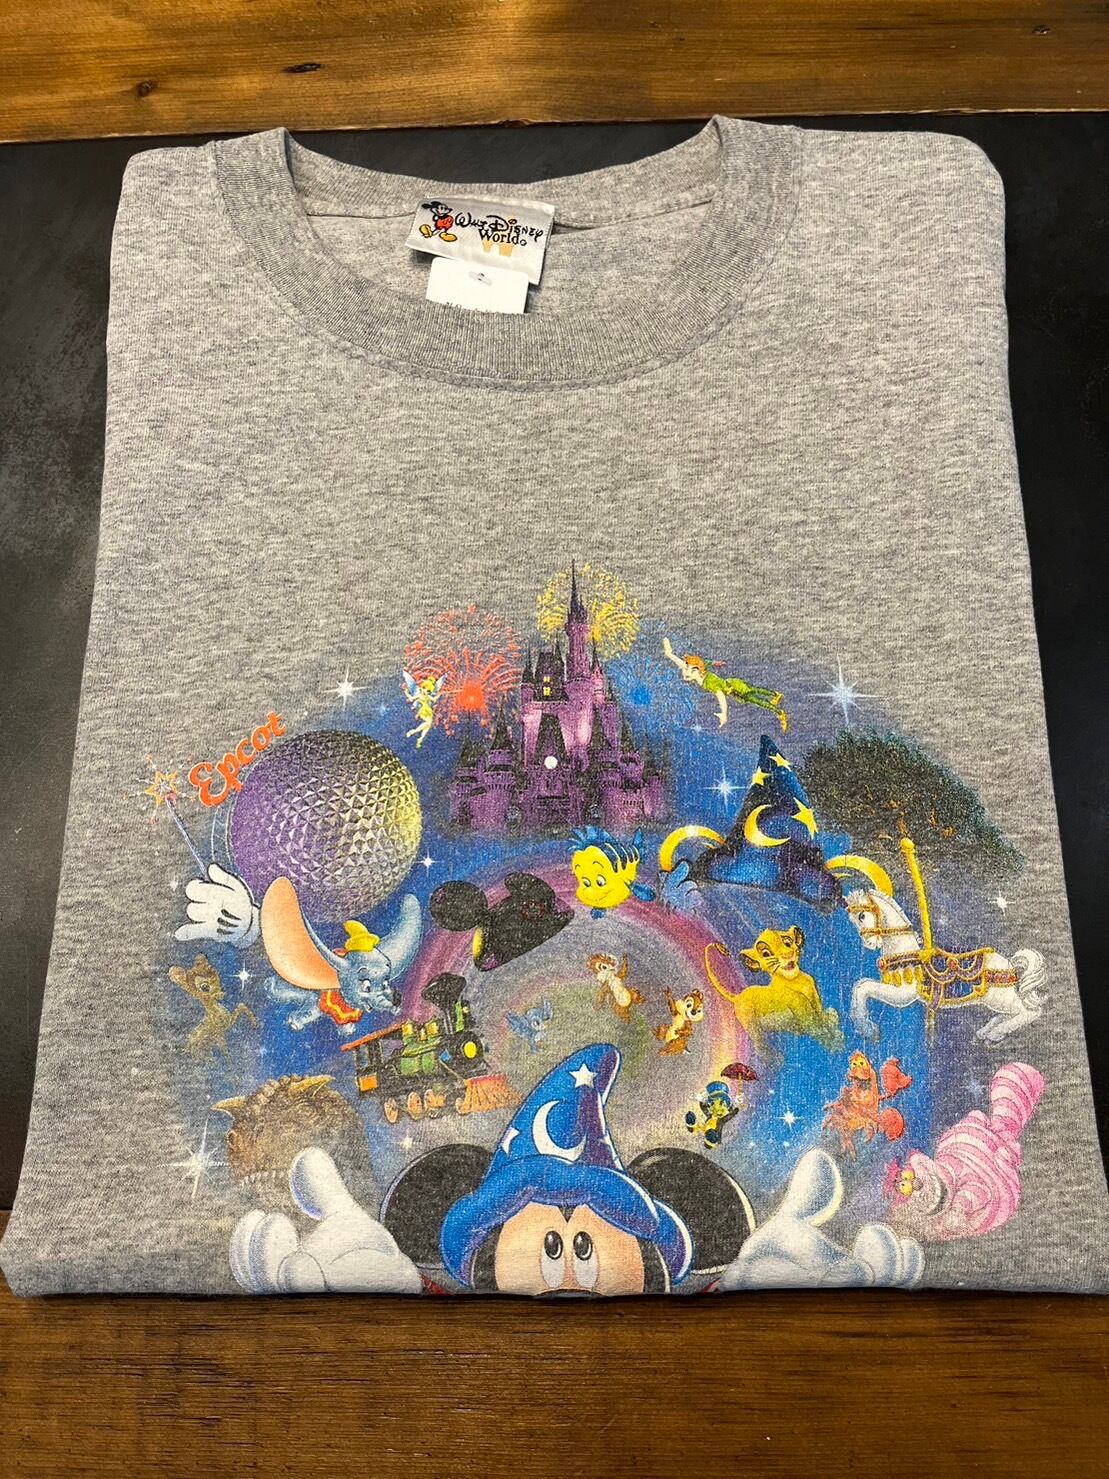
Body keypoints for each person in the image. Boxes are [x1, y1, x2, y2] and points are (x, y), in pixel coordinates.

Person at [662, 637, 788, 731]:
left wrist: (724, 714)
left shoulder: (709, 682)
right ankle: (776, 702)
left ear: (697, 671)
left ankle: (777, 703)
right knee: (755, 697)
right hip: (733, 692)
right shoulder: (698, 671)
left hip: (735, 686)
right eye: (686, 669)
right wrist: (669, 654)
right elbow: (688, 663)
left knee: (754, 694)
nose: (684, 672)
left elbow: (720, 696)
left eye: (688, 670)